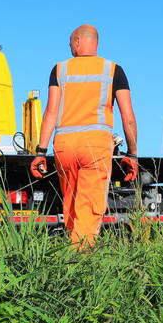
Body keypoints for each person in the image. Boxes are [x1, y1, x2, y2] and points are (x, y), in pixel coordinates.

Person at [29, 25, 138, 249]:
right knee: (89, 207)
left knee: (71, 204)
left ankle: (72, 249)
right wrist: (133, 154)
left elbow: (50, 112)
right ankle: (80, 258)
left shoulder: (60, 69)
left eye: (70, 42)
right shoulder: (113, 70)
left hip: (64, 146)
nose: (70, 47)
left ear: (78, 41)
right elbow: (128, 118)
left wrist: (40, 152)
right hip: (96, 147)